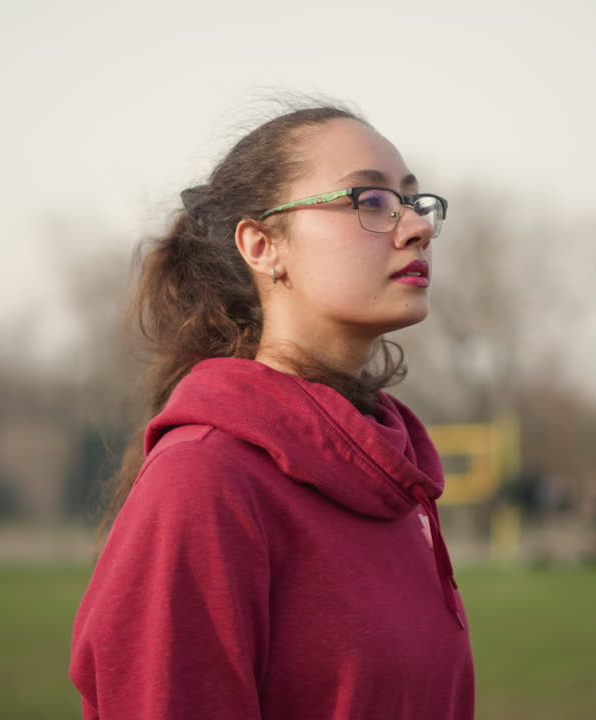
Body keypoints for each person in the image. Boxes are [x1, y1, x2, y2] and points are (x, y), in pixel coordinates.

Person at [70, 105, 473, 719]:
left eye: (415, 202)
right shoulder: (204, 482)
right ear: (262, 246)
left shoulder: (395, 477)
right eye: (369, 200)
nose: (415, 227)